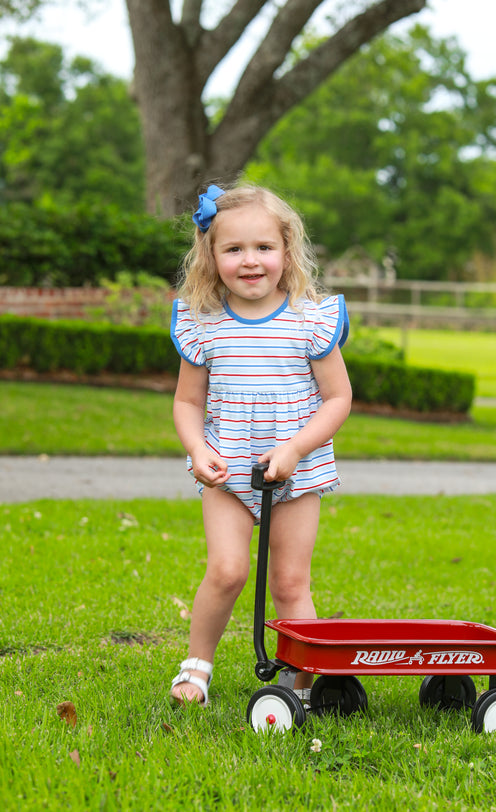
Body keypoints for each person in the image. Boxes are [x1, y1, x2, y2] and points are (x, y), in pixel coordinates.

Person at [169, 183, 352, 705]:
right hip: (227, 472)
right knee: (226, 571)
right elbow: (187, 402)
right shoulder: (203, 324)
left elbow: (338, 398)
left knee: (291, 582)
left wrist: (294, 448)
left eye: (263, 247)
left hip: (297, 471)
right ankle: (197, 668)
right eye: (234, 249)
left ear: (286, 252)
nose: (250, 261)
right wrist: (197, 449)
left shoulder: (309, 320)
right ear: (211, 256)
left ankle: (300, 683)